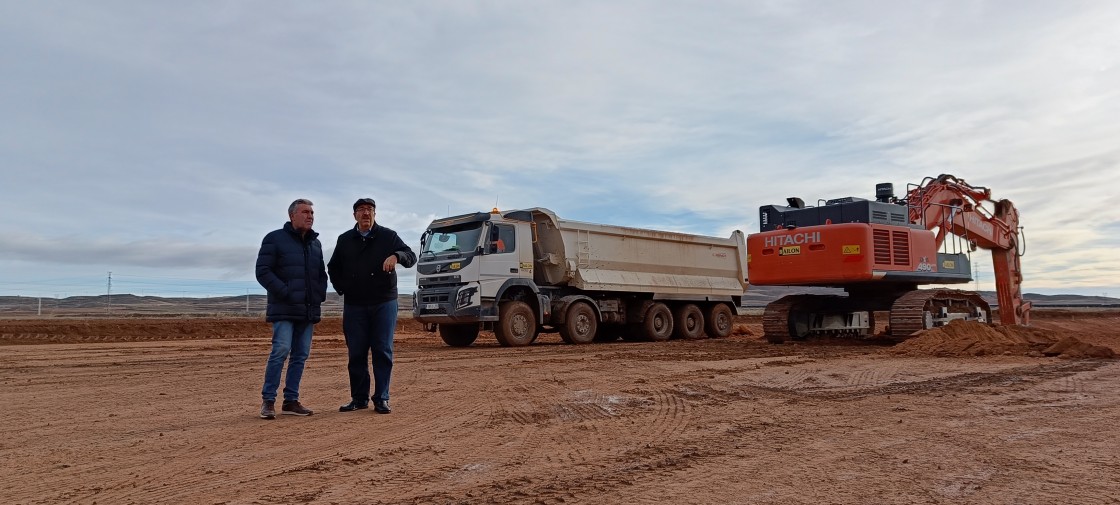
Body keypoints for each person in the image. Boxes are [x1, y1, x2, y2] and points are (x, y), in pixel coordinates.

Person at [328, 198, 417, 414]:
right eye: (361, 210)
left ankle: (381, 398)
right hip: (355, 304)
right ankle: (359, 399)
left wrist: (396, 256)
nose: (365, 213)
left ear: (375, 214)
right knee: (356, 353)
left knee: (382, 350)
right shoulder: (345, 240)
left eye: (369, 210)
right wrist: (344, 288)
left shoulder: (388, 236)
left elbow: (411, 256)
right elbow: (333, 268)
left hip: (383, 302)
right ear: (355, 215)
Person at [255, 198, 329, 420]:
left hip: (307, 308)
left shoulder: (315, 244)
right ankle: (268, 401)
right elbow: (263, 271)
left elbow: (320, 274)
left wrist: (319, 295)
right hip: (284, 307)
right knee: (280, 350)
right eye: (305, 212)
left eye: (312, 213)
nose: (310, 216)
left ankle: (291, 400)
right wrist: (286, 292)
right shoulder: (274, 239)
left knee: (300, 355)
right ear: (292, 215)